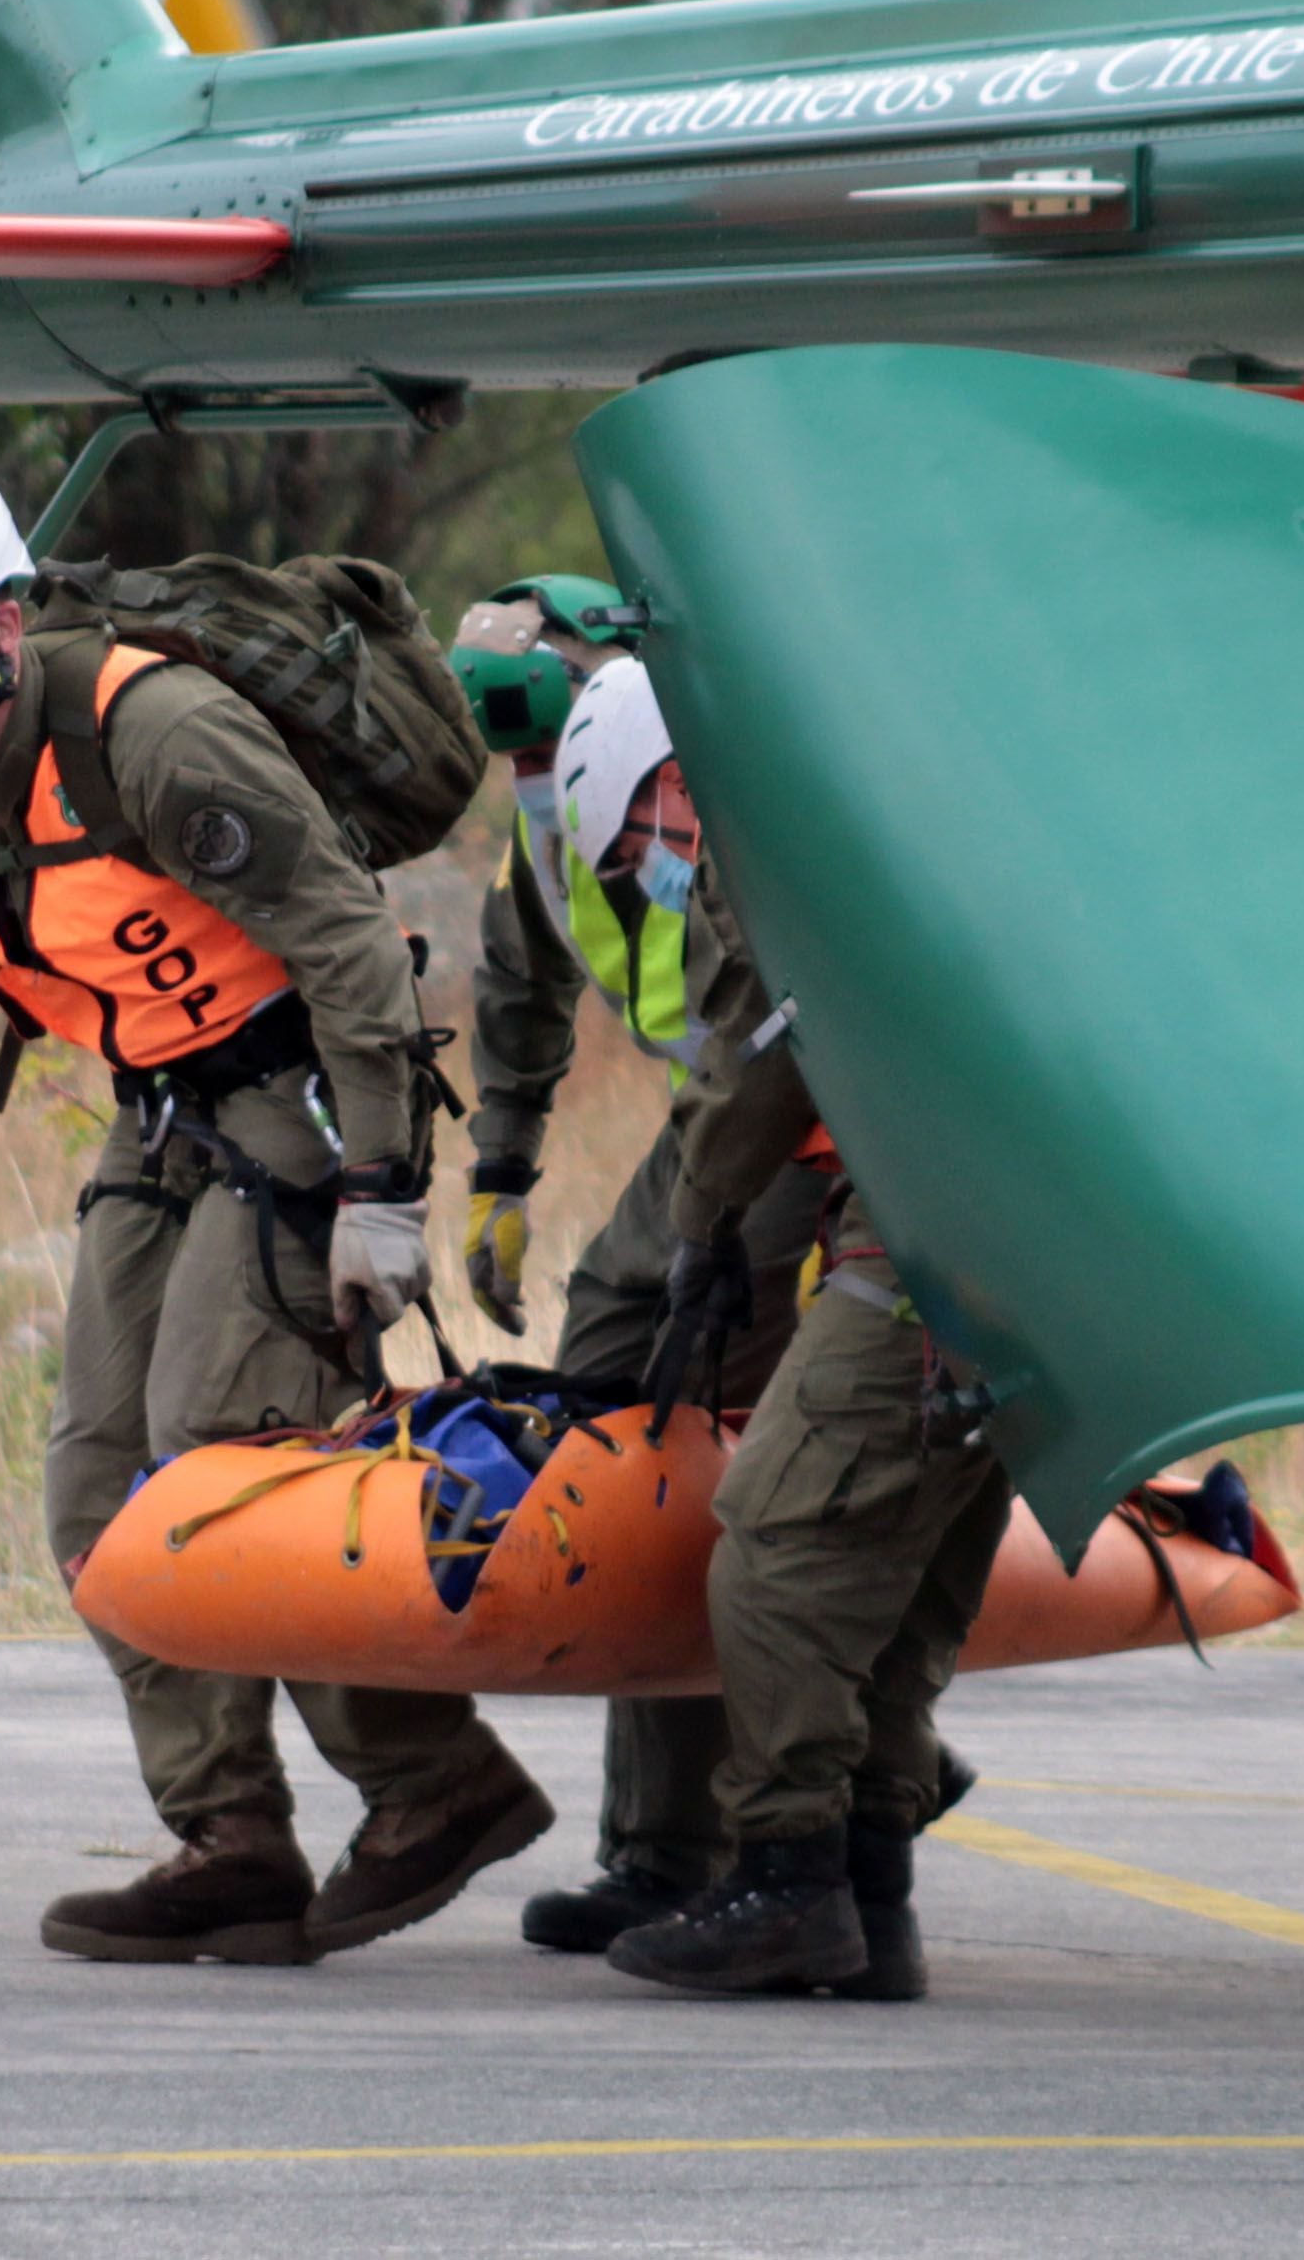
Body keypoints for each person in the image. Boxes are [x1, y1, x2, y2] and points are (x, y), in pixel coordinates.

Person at [0, 457, 551, 1963]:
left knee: (227, 1456)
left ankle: (435, 1785)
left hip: (299, 1095)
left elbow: (349, 948)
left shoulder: (154, 728)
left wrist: (378, 1191)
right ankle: (225, 1832)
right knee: (100, 1496)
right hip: (159, 1110)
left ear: (8, 621)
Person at [574, 680, 1007, 2004]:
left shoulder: (778, 839)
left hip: (935, 1230)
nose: (663, 842)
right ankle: (872, 1898)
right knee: (891, 1565)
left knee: (776, 1543)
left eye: (657, 812)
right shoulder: (911, 808)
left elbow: (758, 1052)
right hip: (1023, 1230)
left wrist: (700, 1222)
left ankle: (788, 1884)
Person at [448, 640, 830, 1956]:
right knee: (618, 1386)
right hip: (723, 1109)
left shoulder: (727, 808)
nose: (524, 775)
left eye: (536, 743)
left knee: (750, 1430)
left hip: (800, 1115)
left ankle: (831, 1774)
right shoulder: (571, 827)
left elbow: (767, 1030)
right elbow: (517, 981)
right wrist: (498, 1168)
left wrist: (710, 1224)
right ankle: (662, 1840)